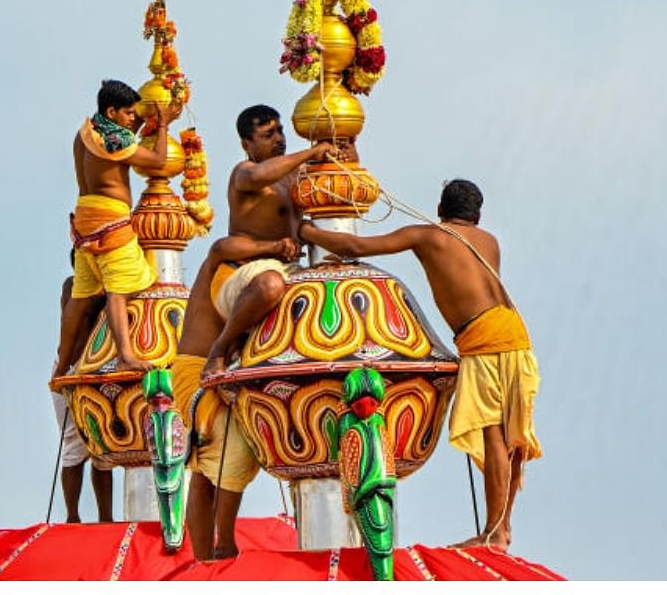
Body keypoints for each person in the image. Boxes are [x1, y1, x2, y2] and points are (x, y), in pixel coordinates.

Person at [298, 179, 541, 551]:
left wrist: (304, 230)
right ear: (477, 215)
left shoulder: (429, 236)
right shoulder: (489, 240)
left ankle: (494, 534)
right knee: (512, 441)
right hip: (516, 336)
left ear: (441, 209)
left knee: (495, 437)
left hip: (484, 342)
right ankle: (502, 528)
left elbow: (354, 245)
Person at [171, 233, 299, 561]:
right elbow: (220, 247)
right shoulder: (225, 266)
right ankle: (223, 544)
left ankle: (203, 561)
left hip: (222, 377)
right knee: (233, 451)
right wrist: (271, 245)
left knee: (203, 469)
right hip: (196, 370)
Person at [204, 104, 347, 376]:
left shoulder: (294, 173)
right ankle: (220, 348)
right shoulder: (244, 172)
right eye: (268, 134)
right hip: (244, 274)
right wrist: (312, 152)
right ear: (247, 143)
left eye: (280, 131)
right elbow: (259, 175)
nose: (279, 139)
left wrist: (339, 148)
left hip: (289, 269)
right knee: (271, 284)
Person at [56, 80, 180, 376]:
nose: (133, 120)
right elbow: (159, 161)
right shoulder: (118, 142)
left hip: (84, 218)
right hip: (110, 221)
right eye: (128, 114)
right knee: (118, 290)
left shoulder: (87, 133)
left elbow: (124, 143)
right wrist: (163, 126)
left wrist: (143, 124)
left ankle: (61, 365)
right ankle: (126, 354)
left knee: (81, 295)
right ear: (111, 111)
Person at [50, 248, 114, 523]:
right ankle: (72, 516)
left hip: (95, 369)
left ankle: (105, 517)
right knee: (74, 443)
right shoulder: (74, 286)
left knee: (102, 446)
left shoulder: (111, 289)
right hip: (73, 370)